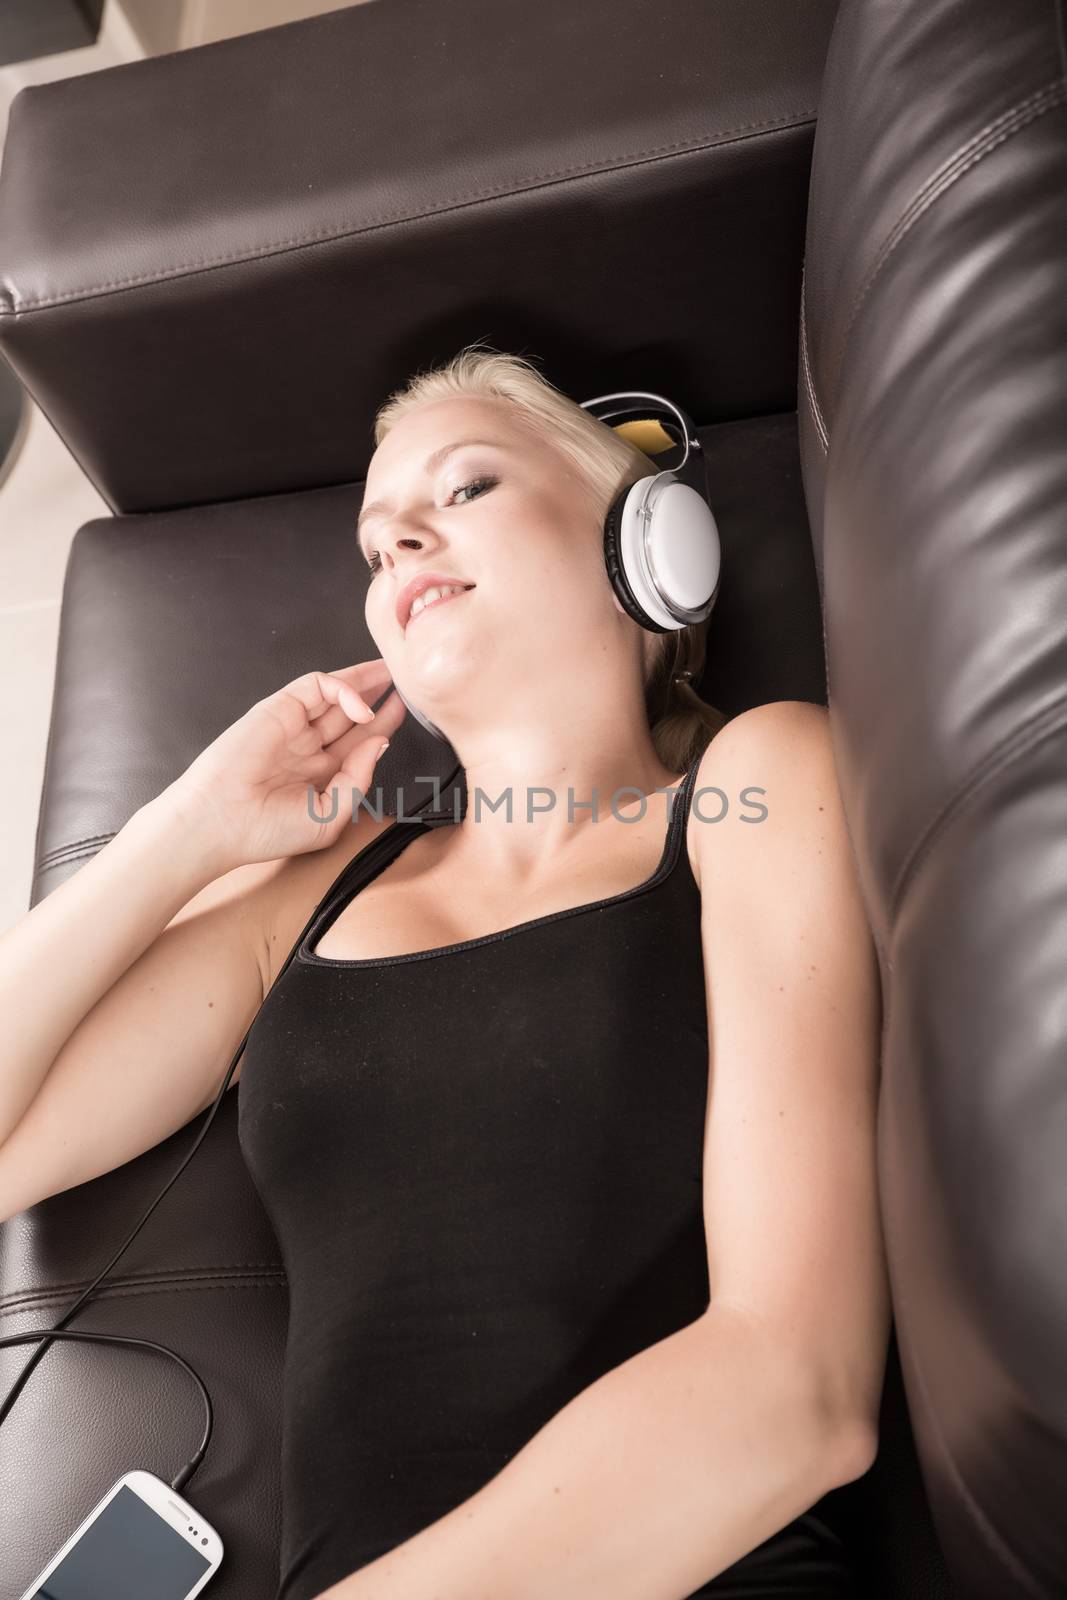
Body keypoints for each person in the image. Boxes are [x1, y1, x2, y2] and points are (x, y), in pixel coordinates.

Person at [0, 344, 889, 1600]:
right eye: (375, 546)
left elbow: (794, 1389)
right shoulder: (320, 887)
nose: (401, 543)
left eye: (463, 489)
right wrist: (184, 828)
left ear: (647, 541)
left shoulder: (754, 784)